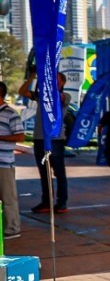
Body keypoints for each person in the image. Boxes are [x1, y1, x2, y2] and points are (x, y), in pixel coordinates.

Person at [19, 72, 69, 213]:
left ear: (63, 83)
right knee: (44, 172)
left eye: (57, 81)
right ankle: (46, 202)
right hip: (39, 138)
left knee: (59, 172)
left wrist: (48, 83)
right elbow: (22, 91)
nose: (54, 83)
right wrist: (33, 76)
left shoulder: (64, 97)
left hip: (56, 140)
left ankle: (62, 202)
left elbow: (58, 96)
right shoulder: (41, 96)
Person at [0, 83, 24, 239]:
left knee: (8, 197)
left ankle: (12, 229)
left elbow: (20, 136)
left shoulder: (10, 114)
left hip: (4, 162)